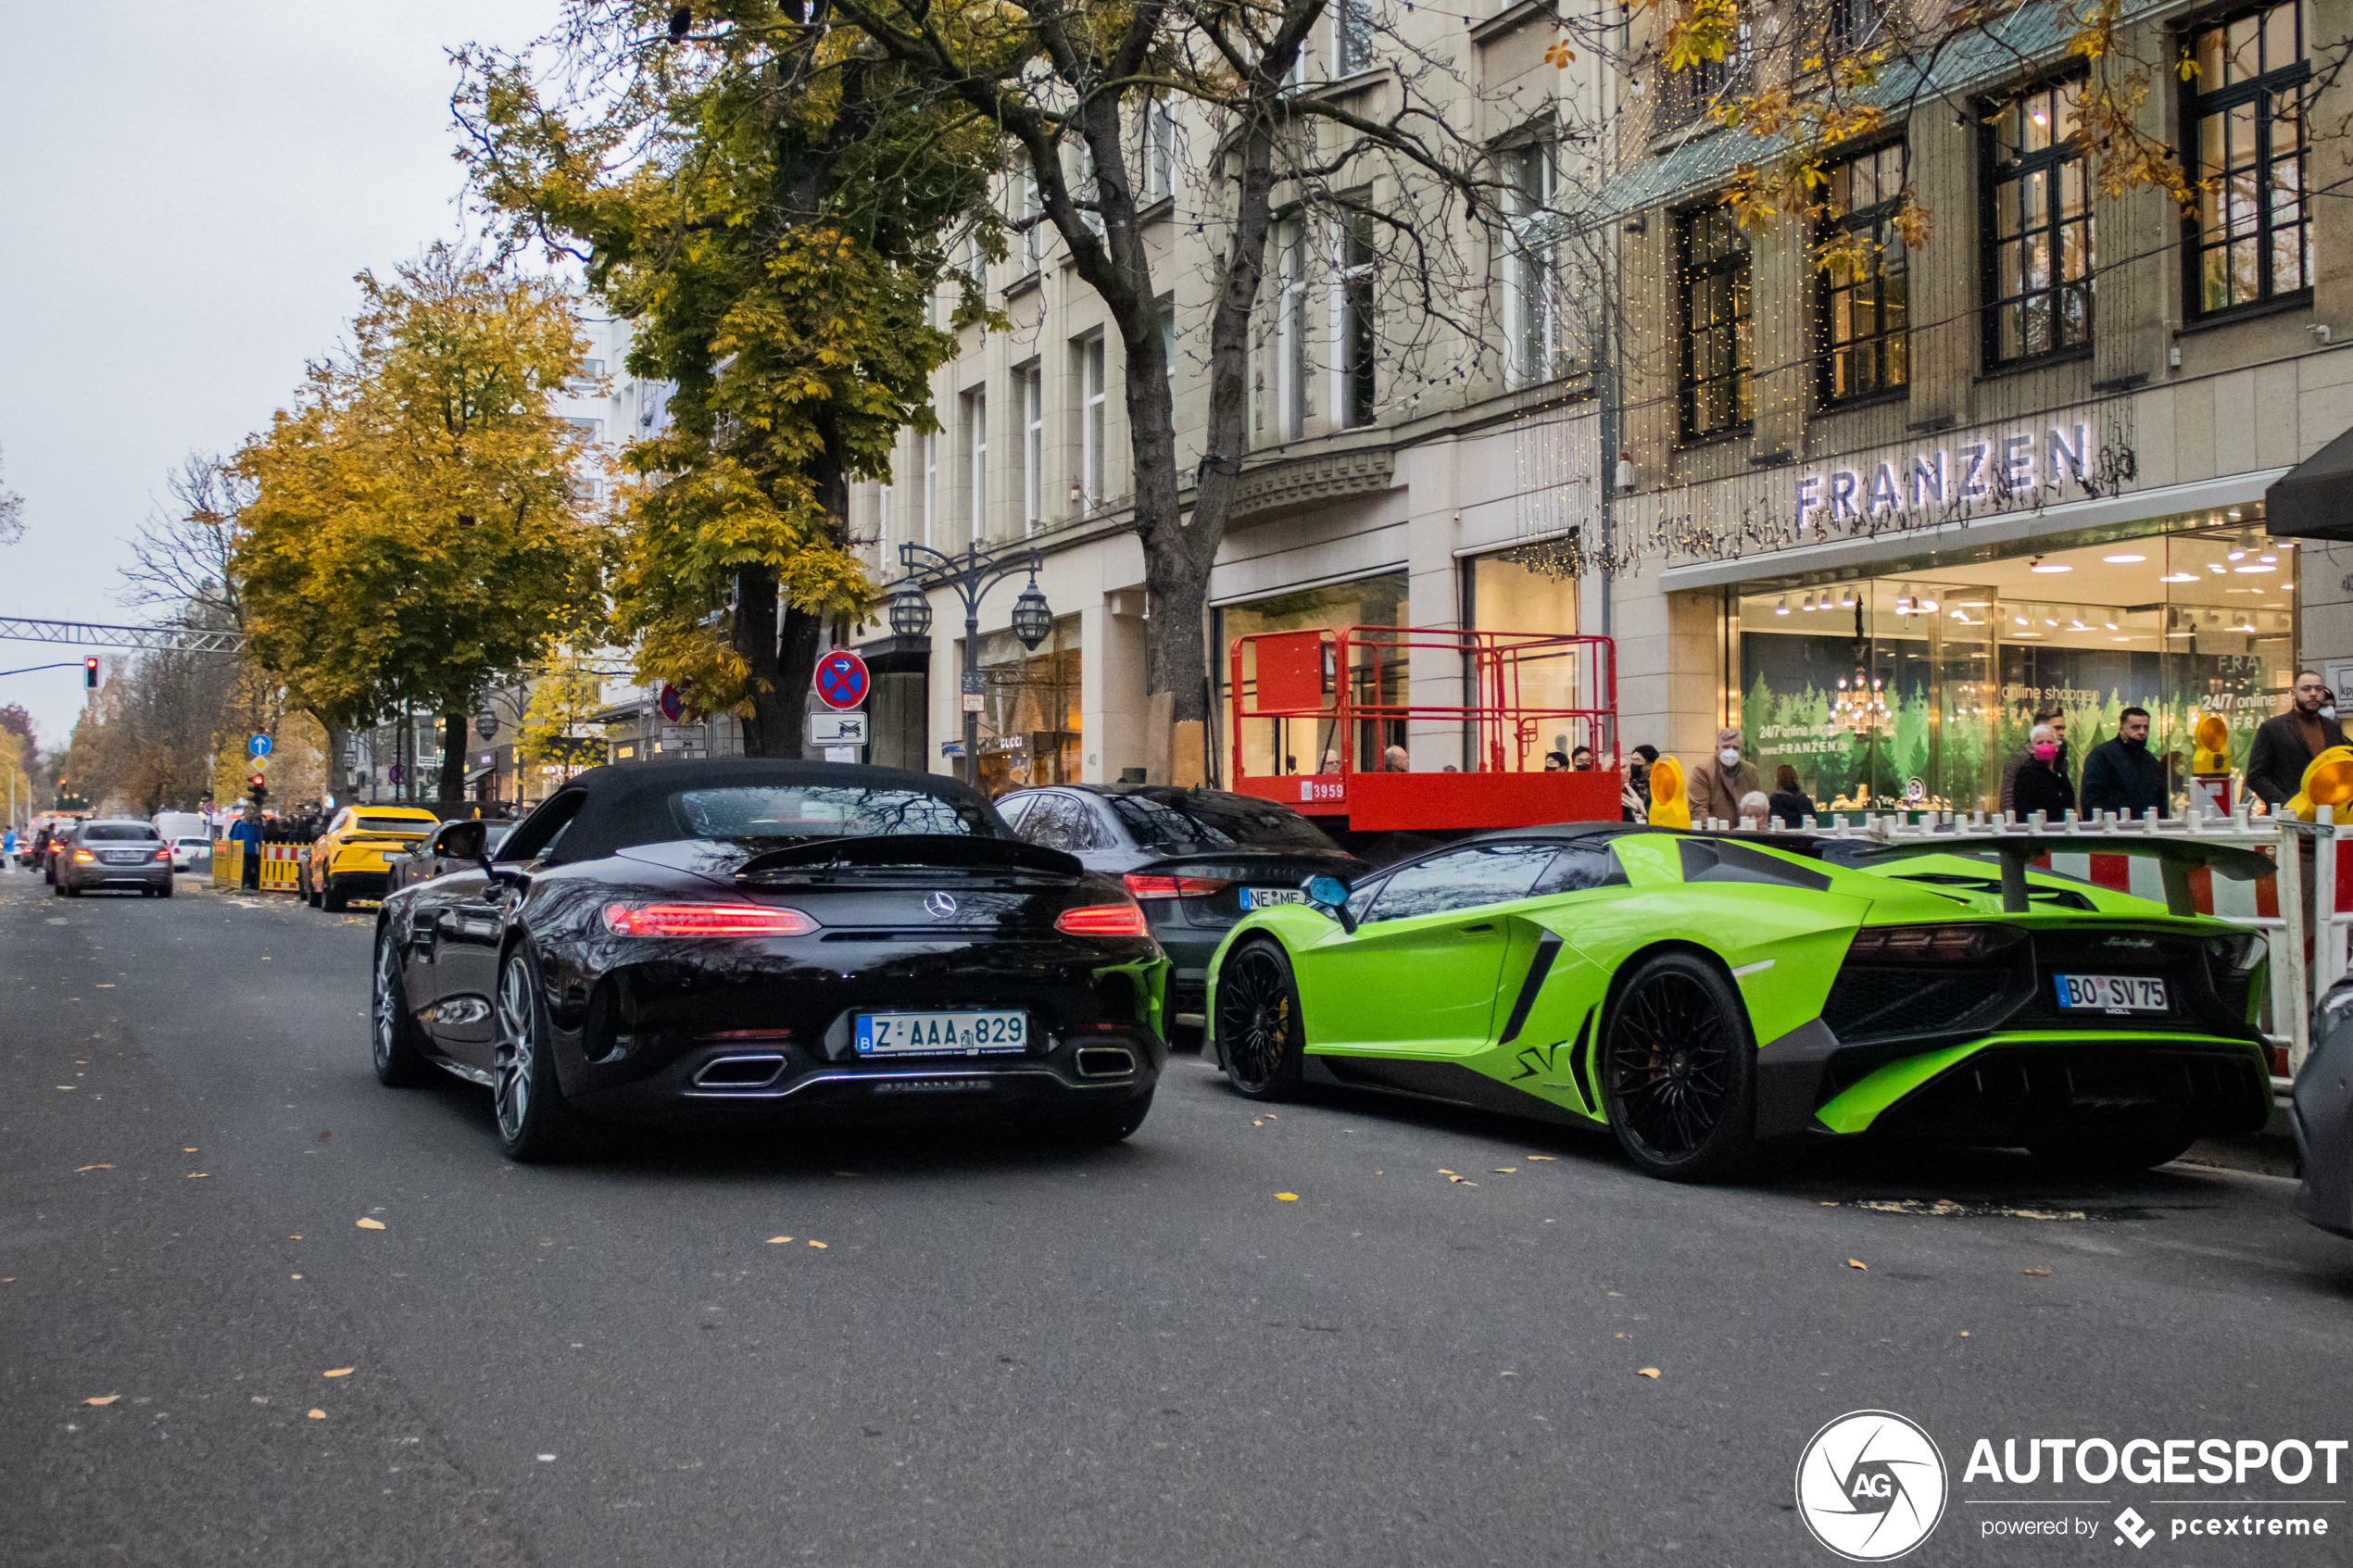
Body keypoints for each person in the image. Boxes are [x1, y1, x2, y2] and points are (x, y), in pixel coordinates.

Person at [2246, 670, 2347, 811]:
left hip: (2329, 815)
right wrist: (2286, 804)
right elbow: (2255, 777)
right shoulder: (2273, 728)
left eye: (2318, 689)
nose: (2313, 693)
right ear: (2293, 693)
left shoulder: (2333, 728)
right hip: (2289, 818)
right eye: (2306, 689)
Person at [2077, 706, 2167, 820]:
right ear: (2121, 729)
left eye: (2146, 727)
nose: (2142, 732)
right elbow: (2091, 800)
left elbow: (2160, 800)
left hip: (2146, 829)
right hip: (2113, 830)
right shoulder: (2102, 756)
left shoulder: (2151, 761)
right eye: (2135, 727)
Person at [1999, 705, 2069, 815]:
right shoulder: (2020, 759)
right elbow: (2008, 800)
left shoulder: (2060, 761)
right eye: (2057, 728)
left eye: (2063, 728)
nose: (2062, 733)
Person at [1690, 726, 1763, 827]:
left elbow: (1758, 806)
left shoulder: (1751, 772)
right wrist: (1718, 832)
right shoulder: (1702, 772)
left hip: (1745, 835)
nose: (1730, 751)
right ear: (1717, 749)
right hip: (1716, 837)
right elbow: (1698, 810)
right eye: (1726, 747)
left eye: (1735, 748)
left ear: (1741, 751)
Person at [2012, 723, 2078, 821]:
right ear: (2032, 749)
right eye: (2039, 743)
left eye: (2049, 742)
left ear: (2056, 747)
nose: (2045, 745)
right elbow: (2024, 811)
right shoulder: (2027, 775)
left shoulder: (2061, 774)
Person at [1768, 764, 1817, 828]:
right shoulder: (1805, 801)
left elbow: (1771, 824)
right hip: (1803, 837)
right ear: (1795, 778)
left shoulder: (1775, 801)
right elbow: (1814, 823)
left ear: (1778, 779)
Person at [1622, 744, 1657, 822]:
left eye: (1637, 760)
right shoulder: (1628, 786)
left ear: (1650, 765)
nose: (1633, 764)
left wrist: (1646, 817)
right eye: (1632, 760)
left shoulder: (1656, 787)